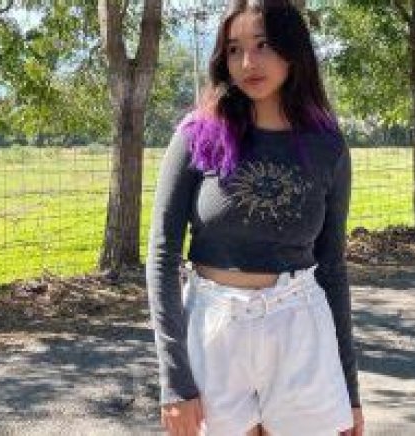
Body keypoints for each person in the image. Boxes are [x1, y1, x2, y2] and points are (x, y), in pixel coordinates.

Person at [145, 0, 364, 434]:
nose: (248, 62)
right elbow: (162, 257)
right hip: (215, 329)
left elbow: (332, 268)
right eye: (234, 49)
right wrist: (175, 383)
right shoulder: (197, 136)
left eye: (262, 45)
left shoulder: (327, 146)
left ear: (292, 49)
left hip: (301, 328)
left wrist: (349, 392)